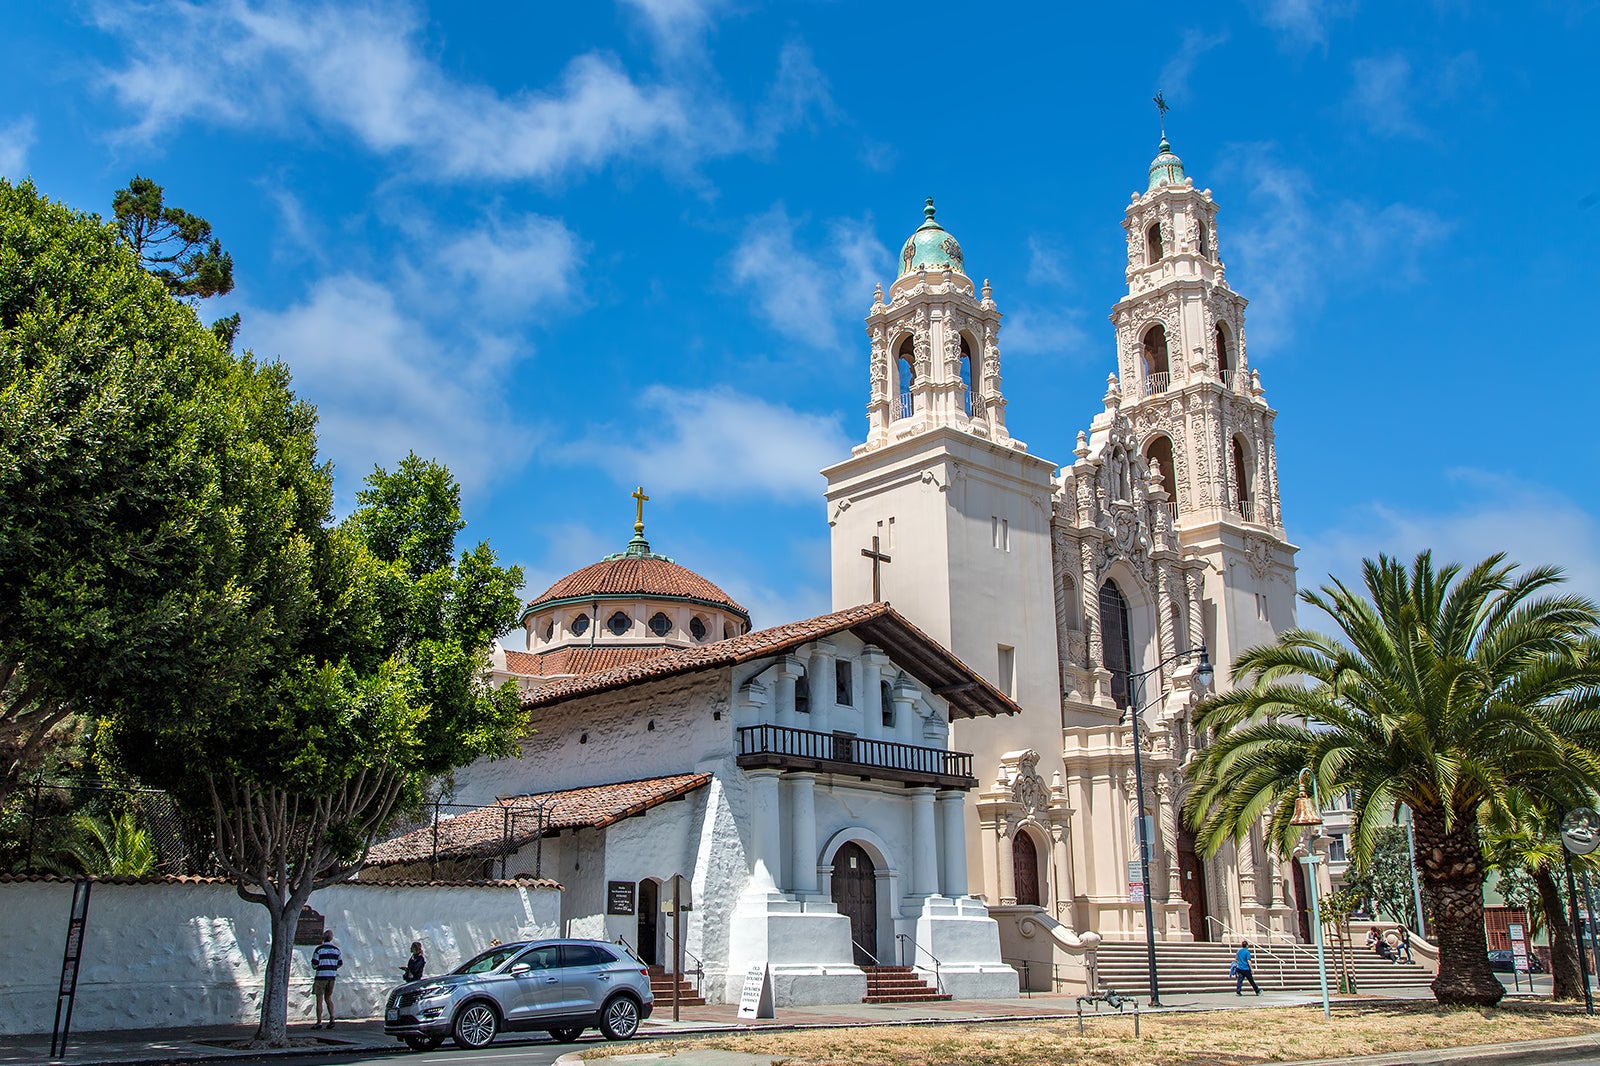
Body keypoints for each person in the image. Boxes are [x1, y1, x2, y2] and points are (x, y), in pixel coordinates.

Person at [311, 929, 343, 1029]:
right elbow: (340, 963)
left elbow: (314, 964)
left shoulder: (319, 950)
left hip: (321, 977)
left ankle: (319, 1021)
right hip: (331, 977)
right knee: (328, 998)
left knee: (319, 999)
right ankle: (332, 1018)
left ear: (323, 938)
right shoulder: (336, 950)